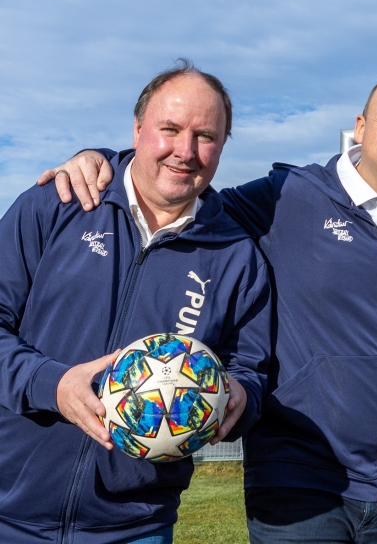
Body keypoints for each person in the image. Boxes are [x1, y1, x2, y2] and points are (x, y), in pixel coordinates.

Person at [41, 73, 377, 544]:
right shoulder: (288, 195)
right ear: (361, 127)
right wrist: (103, 162)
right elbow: (181, 186)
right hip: (298, 479)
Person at [0, 62, 271, 544]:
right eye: (171, 129)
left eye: (205, 136)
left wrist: (241, 398)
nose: (185, 151)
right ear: (138, 128)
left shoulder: (237, 256)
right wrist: (52, 385)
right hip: (9, 512)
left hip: (135, 525)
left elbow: (250, 367)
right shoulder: (57, 204)